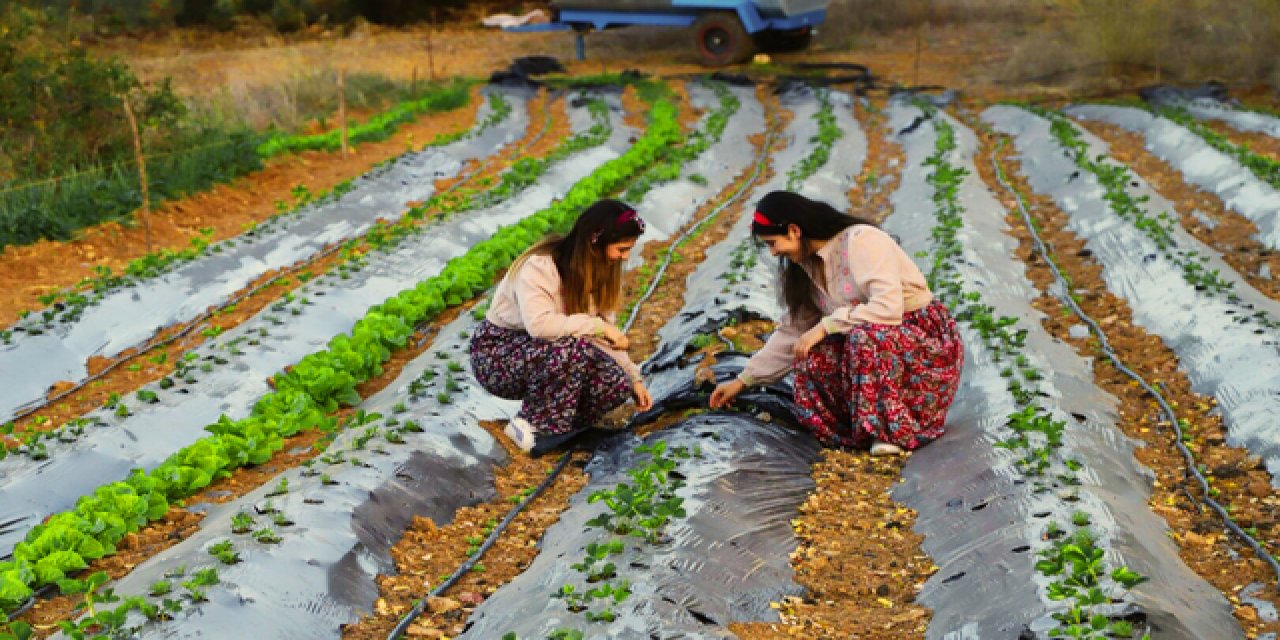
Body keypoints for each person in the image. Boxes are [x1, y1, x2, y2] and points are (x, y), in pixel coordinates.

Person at [709, 191, 963, 455]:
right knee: (809, 351)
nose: (774, 253)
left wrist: (824, 327)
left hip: (922, 345)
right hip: (876, 345)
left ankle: (891, 432)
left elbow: (888, 309)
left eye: (773, 243)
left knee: (864, 338)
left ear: (794, 231)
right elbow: (792, 332)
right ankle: (856, 431)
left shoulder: (861, 241)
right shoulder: (805, 267)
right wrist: (742, 381)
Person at [470, 199, 654, 455]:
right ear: (594, 241)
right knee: (571, 346)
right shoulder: (541, 266)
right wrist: (597, 326)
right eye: (621, 249)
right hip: (499, 355)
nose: (625, 258)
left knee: (615, 382)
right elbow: (541, 326)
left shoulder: (598, 274)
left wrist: (634, 378)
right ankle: (531, 425)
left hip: (545, 353)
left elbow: (603, 335)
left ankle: (568, 425)